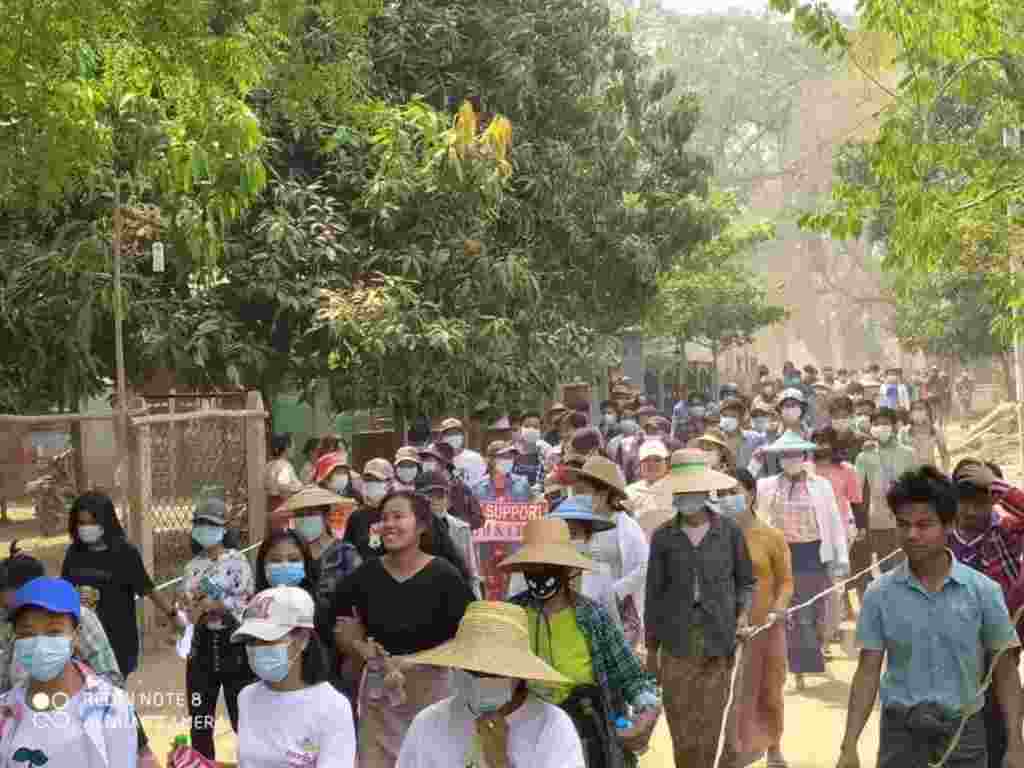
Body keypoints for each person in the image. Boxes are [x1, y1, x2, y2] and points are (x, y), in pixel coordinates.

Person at [836, 466, 1024, 768]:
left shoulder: (984, 592)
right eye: (903, 524)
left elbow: (1005, 672)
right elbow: (867, 672)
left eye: (924, 525)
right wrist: (849, 745)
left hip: (964, 736)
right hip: (901, 738)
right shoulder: (878, 594)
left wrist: (1016, 744)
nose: (912, 534)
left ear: (949, 525)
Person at [330, 490, 474, 768]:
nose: (389, 524)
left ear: (421, 526)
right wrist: (361, 648)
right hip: (378, 695)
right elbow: (338, 625)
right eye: (384, 518)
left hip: (433, 693)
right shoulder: (365, 575)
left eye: (398, 516)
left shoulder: (445, 576)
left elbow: (467, 637)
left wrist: (413, 661)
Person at [500, 520, 660, 768]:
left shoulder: (592, 616)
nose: (540, 574)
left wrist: (647, 710)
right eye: (533, 567)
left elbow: (633, 677)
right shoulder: (511, 615)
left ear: (567, 570)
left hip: (586, 732)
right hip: (527, 736)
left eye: (549, 567)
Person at [645, 449, 755, 768]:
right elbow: (654, 594)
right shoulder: (663, 537)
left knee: (709, 725)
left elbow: (745, 582)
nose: (686, 497)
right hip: (676, 644)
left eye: (692, 490)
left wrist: (742, 615)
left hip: (718, 642)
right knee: (681, 726)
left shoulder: (729, 533)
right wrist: (652, 652)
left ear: (705, 491)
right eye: (681, 491)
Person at [396, 601, 585, 768]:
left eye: (492, 673)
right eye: (470, 670)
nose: (479, 681)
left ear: (519, 675)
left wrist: (499, 762)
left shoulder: (552, 726)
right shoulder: (428, 723)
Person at [0, 578, 137, 765]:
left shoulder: (110, 707)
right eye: (28, 633)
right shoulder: (5, 712)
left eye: (53, 632)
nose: (40, 645)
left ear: (75, 635)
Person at [757, 431, 848, 690]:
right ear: (779, 459)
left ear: (805, 456)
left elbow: (833, 522)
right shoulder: (767, 486)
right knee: (788, 613)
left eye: (796, 454)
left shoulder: (821, 485)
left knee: (811, 611)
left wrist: (840, 556)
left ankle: (810, 654)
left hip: (813, 553)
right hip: (781, 554)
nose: (791, 459)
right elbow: (759, 517)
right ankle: (795, 668)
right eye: (786, 455)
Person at [951, 460, 1024, 768]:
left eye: (980, 502)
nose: (969, 511)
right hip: (948, 648)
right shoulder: (936, 534)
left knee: (996, 719)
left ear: (994, 500)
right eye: (962, 501)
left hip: (998, 649)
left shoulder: (1007, 532)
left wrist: (997, 485)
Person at [233, 586, 356, 768]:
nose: (257, 648)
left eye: (267, 639)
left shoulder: (333, 707)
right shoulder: (246, 697)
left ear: (302, 638)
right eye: (251, 640)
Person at [61, 491, 177, 679]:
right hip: (83, 640)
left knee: (113, 695)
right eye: (81, 523)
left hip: (118, 640)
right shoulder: (74, 553)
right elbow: (64, 590)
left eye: (92, 522)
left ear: (106, 521)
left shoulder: (125, 553)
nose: (86, 528)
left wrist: (172, 615)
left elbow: (147, 588)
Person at [178, 497, 256, 760]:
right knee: (200, 723)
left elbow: (247, 603)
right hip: (201, 651)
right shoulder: (191, 567)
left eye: (211, 524)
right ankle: (202, 764)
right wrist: (187, 612)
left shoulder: (237, 562)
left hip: (234, 648)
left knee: (242, 719)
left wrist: (219, 605)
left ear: (224, 529)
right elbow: (186, 609)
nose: (204, 529)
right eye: (199, 524)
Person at [725, 470, 793, 768]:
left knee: (770, 688)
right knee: (735, 691)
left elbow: (786, 581)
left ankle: (773, 746)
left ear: (751, 494)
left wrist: (779, 607)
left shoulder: (771, 536)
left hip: (767, 627)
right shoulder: (717, 537)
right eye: (723, 493)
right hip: (729, 629)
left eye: (734, 491)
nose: (728, 498)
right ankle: (735, 749)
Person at [0, 547, 122, 691]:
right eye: (6, 608)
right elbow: (5, 682)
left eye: (54, 631)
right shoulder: (11, 626)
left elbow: (111, 678)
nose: (11, 614)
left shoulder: (78, 617)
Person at [567, 457, 649, 644]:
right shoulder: (577, 523)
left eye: (586, 492)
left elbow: (644, 566)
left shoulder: (626, 526)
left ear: (603, 493)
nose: (580, 497)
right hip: (580, 607)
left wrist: (614, 592)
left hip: (616, 610)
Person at [853, 407, 916, 599]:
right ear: (871, 428)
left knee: (904, 564)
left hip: (903, 518)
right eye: (877, 424)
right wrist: (860, 522)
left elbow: (916, 487)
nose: (882, 427)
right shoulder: (864, 456)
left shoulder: (908, 453)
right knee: (884, 565)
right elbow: (858, 492)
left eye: (886, 423)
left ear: (895, 426)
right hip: (877, 518)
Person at [812, 427, 862, 647]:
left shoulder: (847, 470)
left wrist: (860, 528)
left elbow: (856, 502)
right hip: (809, 535)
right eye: (817, 441)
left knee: (834, 585)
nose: (822, 446)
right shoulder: (805, 469)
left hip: (838, 535)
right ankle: (817, 630)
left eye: (826, 441)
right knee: (813, 584)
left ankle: (828, 633)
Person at [416, 471, 482, 598]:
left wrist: (475, 607)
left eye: (439, 496)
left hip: (454, 595)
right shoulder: (410, 528)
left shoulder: (461, 529)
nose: (434, 501)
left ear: (448, 499)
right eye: (428, 496)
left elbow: (472, 574)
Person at [421, 443, 484, 531]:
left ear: (442, 464)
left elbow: (478, 519)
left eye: (430, 460)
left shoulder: (460, 488)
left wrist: (456, 524)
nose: (426, 464)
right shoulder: (419, 484)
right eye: (424, 460)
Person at [342, 458, 395, 560]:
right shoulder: (357, 517)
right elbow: (347, 550)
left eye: (377, 480)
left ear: (389, 483)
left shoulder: (398, 514)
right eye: (368, 480)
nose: (371, 484)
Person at [624, 440, 670, 525]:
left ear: (666, 463)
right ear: (640, 464)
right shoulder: (629, 491)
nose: (651, 464)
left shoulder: (677, 489)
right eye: (646, 460)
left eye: (657, 460)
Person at [263, 433, 304, 522]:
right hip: (284, 513)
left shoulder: (269, 465)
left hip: (273, 510)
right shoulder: (284, 466)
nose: (294, 449)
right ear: (286, 447)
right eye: (292, 446)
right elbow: (283, 489)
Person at [901, 399, 949, 472]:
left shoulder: (935, 431)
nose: (917, 412)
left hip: (929, 473)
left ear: (927, 412)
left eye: (920, 409)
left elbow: (944, 454)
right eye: (914, 409)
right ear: (910, 413)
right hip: (910, 474)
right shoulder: (904, 432)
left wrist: (945, 472)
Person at [439, 418, 488, 488]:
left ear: (462, 435)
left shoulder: (475, 458)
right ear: (442, 437)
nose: (453, 437)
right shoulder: (437, 459)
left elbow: (482, 484)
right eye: (449, 434)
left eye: (456, 433)